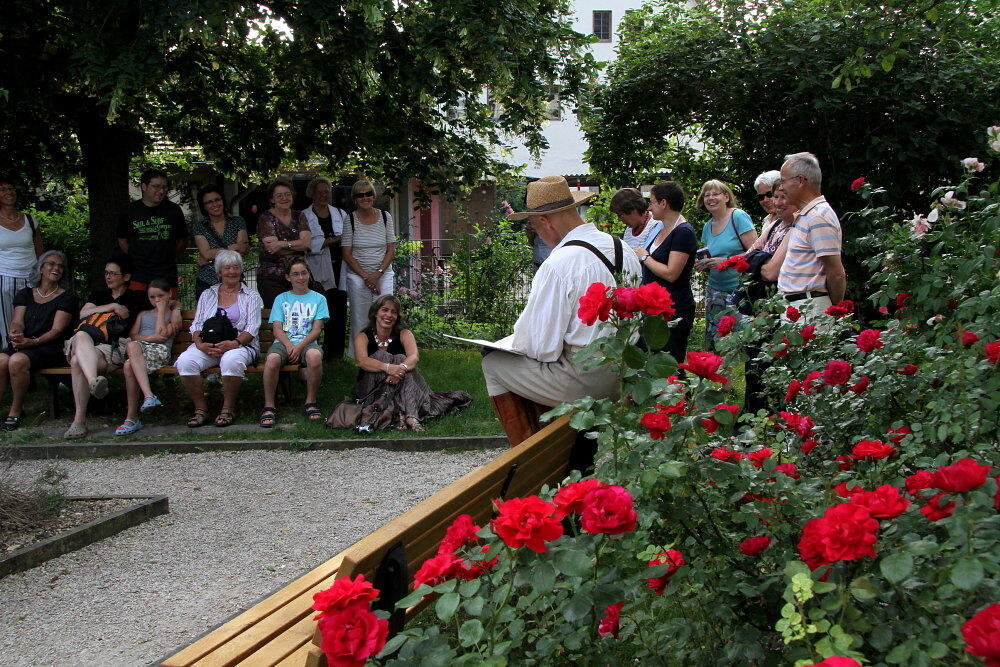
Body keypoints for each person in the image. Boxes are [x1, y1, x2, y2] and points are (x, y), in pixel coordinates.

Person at [482, 175, 642, 445]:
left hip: (586, 379)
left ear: (546, 221)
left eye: (534, 225)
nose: (537, 234)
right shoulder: (621, 247)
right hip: (626, 370)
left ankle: (530, 456)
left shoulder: (559, 263)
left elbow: (540, 347)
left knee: (493, 363)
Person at [352, 295, 471, 431]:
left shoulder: (404, 333)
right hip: (372, 386)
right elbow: (362, 361)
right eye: (384, 310)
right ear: (375, 313)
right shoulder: (363, 336)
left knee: (402, 360)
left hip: (401, 381)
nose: (389, 315)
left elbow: (413, 357)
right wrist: (389, 368)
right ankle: (407, 415)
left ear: (397, 316)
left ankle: (406, 416)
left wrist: (400, 369)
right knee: (382, 355)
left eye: (393, 312)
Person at [63, 256, 148, 439]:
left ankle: (79, 421)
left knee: (78, 361)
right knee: (80, 335)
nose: (108, 277)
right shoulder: (98, 295)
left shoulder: (135, 297)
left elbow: (161, 301)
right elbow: (83, 313)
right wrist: (112, 306)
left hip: (113, 347)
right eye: (106, 273)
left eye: (113, 273)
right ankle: (94, 380)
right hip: (88, 342)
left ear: (126, 277)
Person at [176, 250, 263, 428]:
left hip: (239, 345)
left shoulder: (251, 296)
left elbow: (252, 328)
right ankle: (200, 409)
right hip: (208, 345)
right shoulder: (208, 294)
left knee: (231, 360)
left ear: (241, 271)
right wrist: (200, 345)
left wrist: (234, 343)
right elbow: (197, 324)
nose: (232, 271)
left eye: (236, 267)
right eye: (227, 268)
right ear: (219, 273)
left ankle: (228, 409)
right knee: (185, 361)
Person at [0, 251, 77, 431]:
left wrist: (32, 342)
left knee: (17, 361)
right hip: (24, 343)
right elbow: (17, 320)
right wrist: (15, 334)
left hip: (48, 347)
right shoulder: (25, 293)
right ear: (41, 268)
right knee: (2, 360)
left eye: (60, 266)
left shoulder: (67, 297)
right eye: (51, 264)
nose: (56, 268)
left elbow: (57, 330)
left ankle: (16, 410)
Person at [260, 257, 328, 427]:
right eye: (295, 274)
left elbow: (316, 329)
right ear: (288, 278)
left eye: (304, 273)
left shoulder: (319, 299)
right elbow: (277, 328)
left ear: (309, 275)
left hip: (307, 342)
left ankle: (310, 401)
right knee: (272, 359)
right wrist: (290, 346)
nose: (300, 278)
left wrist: (299, 346)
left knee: (314, 356)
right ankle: (269, 405)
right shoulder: (281, 299)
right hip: (283, 342)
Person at [633, 182, 696, 365]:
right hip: (654, 307)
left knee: (669, 363)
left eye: (652, 202)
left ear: (663, 203)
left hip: (674, 307)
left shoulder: (683, 232)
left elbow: (671, 273)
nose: (649, 207)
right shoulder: (659, 228)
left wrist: (645, 258)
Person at [777, 152, 846, 316]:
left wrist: (834, 311)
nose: (781, 187)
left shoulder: (818, 216)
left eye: (783, 181)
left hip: (810, 309)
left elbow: (836, 273)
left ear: (800, 181)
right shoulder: (808, 214)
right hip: (799, 307)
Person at [694, 180, 758, 349]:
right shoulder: (708, 226)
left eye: (715, 194)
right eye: (706, 195)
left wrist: (728, 261)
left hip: (739, 290)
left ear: (726, 197)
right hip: (715, 291)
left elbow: (756, 253)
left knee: (746, 342)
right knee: (717, 343)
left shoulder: (738, 217)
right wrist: (704, 263)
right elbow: (712, 256)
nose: (710, 198)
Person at [114, 280, 182, 436]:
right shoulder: (142, 314)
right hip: (140, 352)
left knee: (130, 354)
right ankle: (143, 403)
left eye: (160, 296)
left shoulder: (172, 316)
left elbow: (163, 335)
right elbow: (133, 335)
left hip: (159, 353)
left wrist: (162, 311)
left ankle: (134, 415)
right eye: (152, 297)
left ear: (169, 294)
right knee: (128, 362)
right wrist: (151, 337)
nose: (156, 300)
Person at [342, 179, 396, 357]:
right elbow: (347, 254)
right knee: (361, 315)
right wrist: (367, 277)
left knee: (386, 314)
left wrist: (378, 274)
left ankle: (386, 353)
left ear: (373, 196)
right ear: (355, 198)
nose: (365, 197)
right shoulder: (349, 220)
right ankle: (360, 355)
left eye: (368, 194)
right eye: (360, 195)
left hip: (383, 273)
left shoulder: (386, 217)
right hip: (359, 275)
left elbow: (391, 249)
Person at [116, 169, 188, 291]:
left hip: (167, 274)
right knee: (137, 307)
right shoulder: (129, 211)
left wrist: (168, 255)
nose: (161, 191)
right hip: (139, 274)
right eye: (156, 186)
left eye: (164, 187)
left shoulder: (174, 210)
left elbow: (183, 239)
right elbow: (122, 240)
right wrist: (136, 256)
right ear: (144, 186)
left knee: (167, 308)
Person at [301, 177, 349, 358]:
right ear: (312, 194)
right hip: (317, 268)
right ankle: (317, 349)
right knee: (321, 309)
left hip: (340, 267)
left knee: (339, 307)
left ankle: (336, 353)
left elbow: (348, 236)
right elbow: (307, 244)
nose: (323, 195)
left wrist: (334, 241)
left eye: (326, 191)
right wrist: (329, 241)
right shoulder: (304, 215)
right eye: (319, 192)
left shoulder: (340, 213)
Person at [0, 177, 44, 351]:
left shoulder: (30, 220)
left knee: (32, 320)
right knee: (8, 322)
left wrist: (42, 276)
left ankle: (28, 358)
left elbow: (41, 252)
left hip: (31, 278)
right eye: (3, 189)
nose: (8, 192)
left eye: (11, 188)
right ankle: (6, 356)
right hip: (5, 277)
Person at [256, 178, 311, 308]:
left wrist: (281, 244)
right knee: (278, 317)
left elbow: (307, 244)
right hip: (271, 278)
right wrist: (297, 246)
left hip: (298, 276)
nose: (284, 198)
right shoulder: (266, 218)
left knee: (301, 315)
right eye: (279, 195)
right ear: (272, 199)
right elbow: (271, 248)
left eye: (287, 194)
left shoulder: (299, 216)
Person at [192, 184, 249, 299]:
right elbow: (206, 254)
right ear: (204, 207)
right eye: (209, 202)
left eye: (217, 200)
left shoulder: (237, 221)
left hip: (234, 279)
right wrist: (232, 248)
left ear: (223, 201)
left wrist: (212, 258)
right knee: (207, 316)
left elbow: (243, 249)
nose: (215, 204)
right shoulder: (200, 226)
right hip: (207, 281)